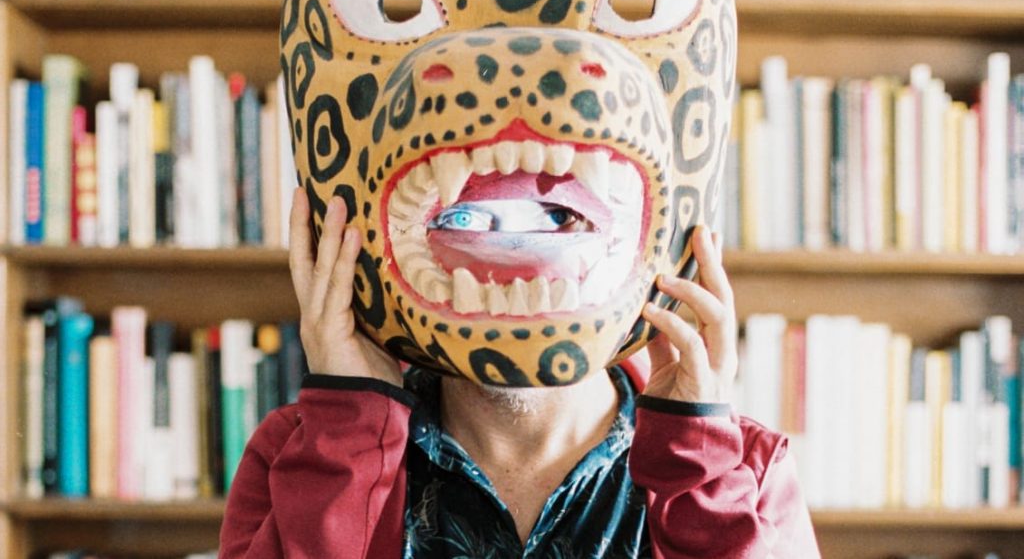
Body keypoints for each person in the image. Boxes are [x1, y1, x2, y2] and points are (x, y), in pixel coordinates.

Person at [219, 188, 820, 558]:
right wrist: (349, 428)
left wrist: (699, 469)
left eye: (558, 217)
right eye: (464, 218)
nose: (513, 264)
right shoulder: (295, 456)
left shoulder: (747, 473)